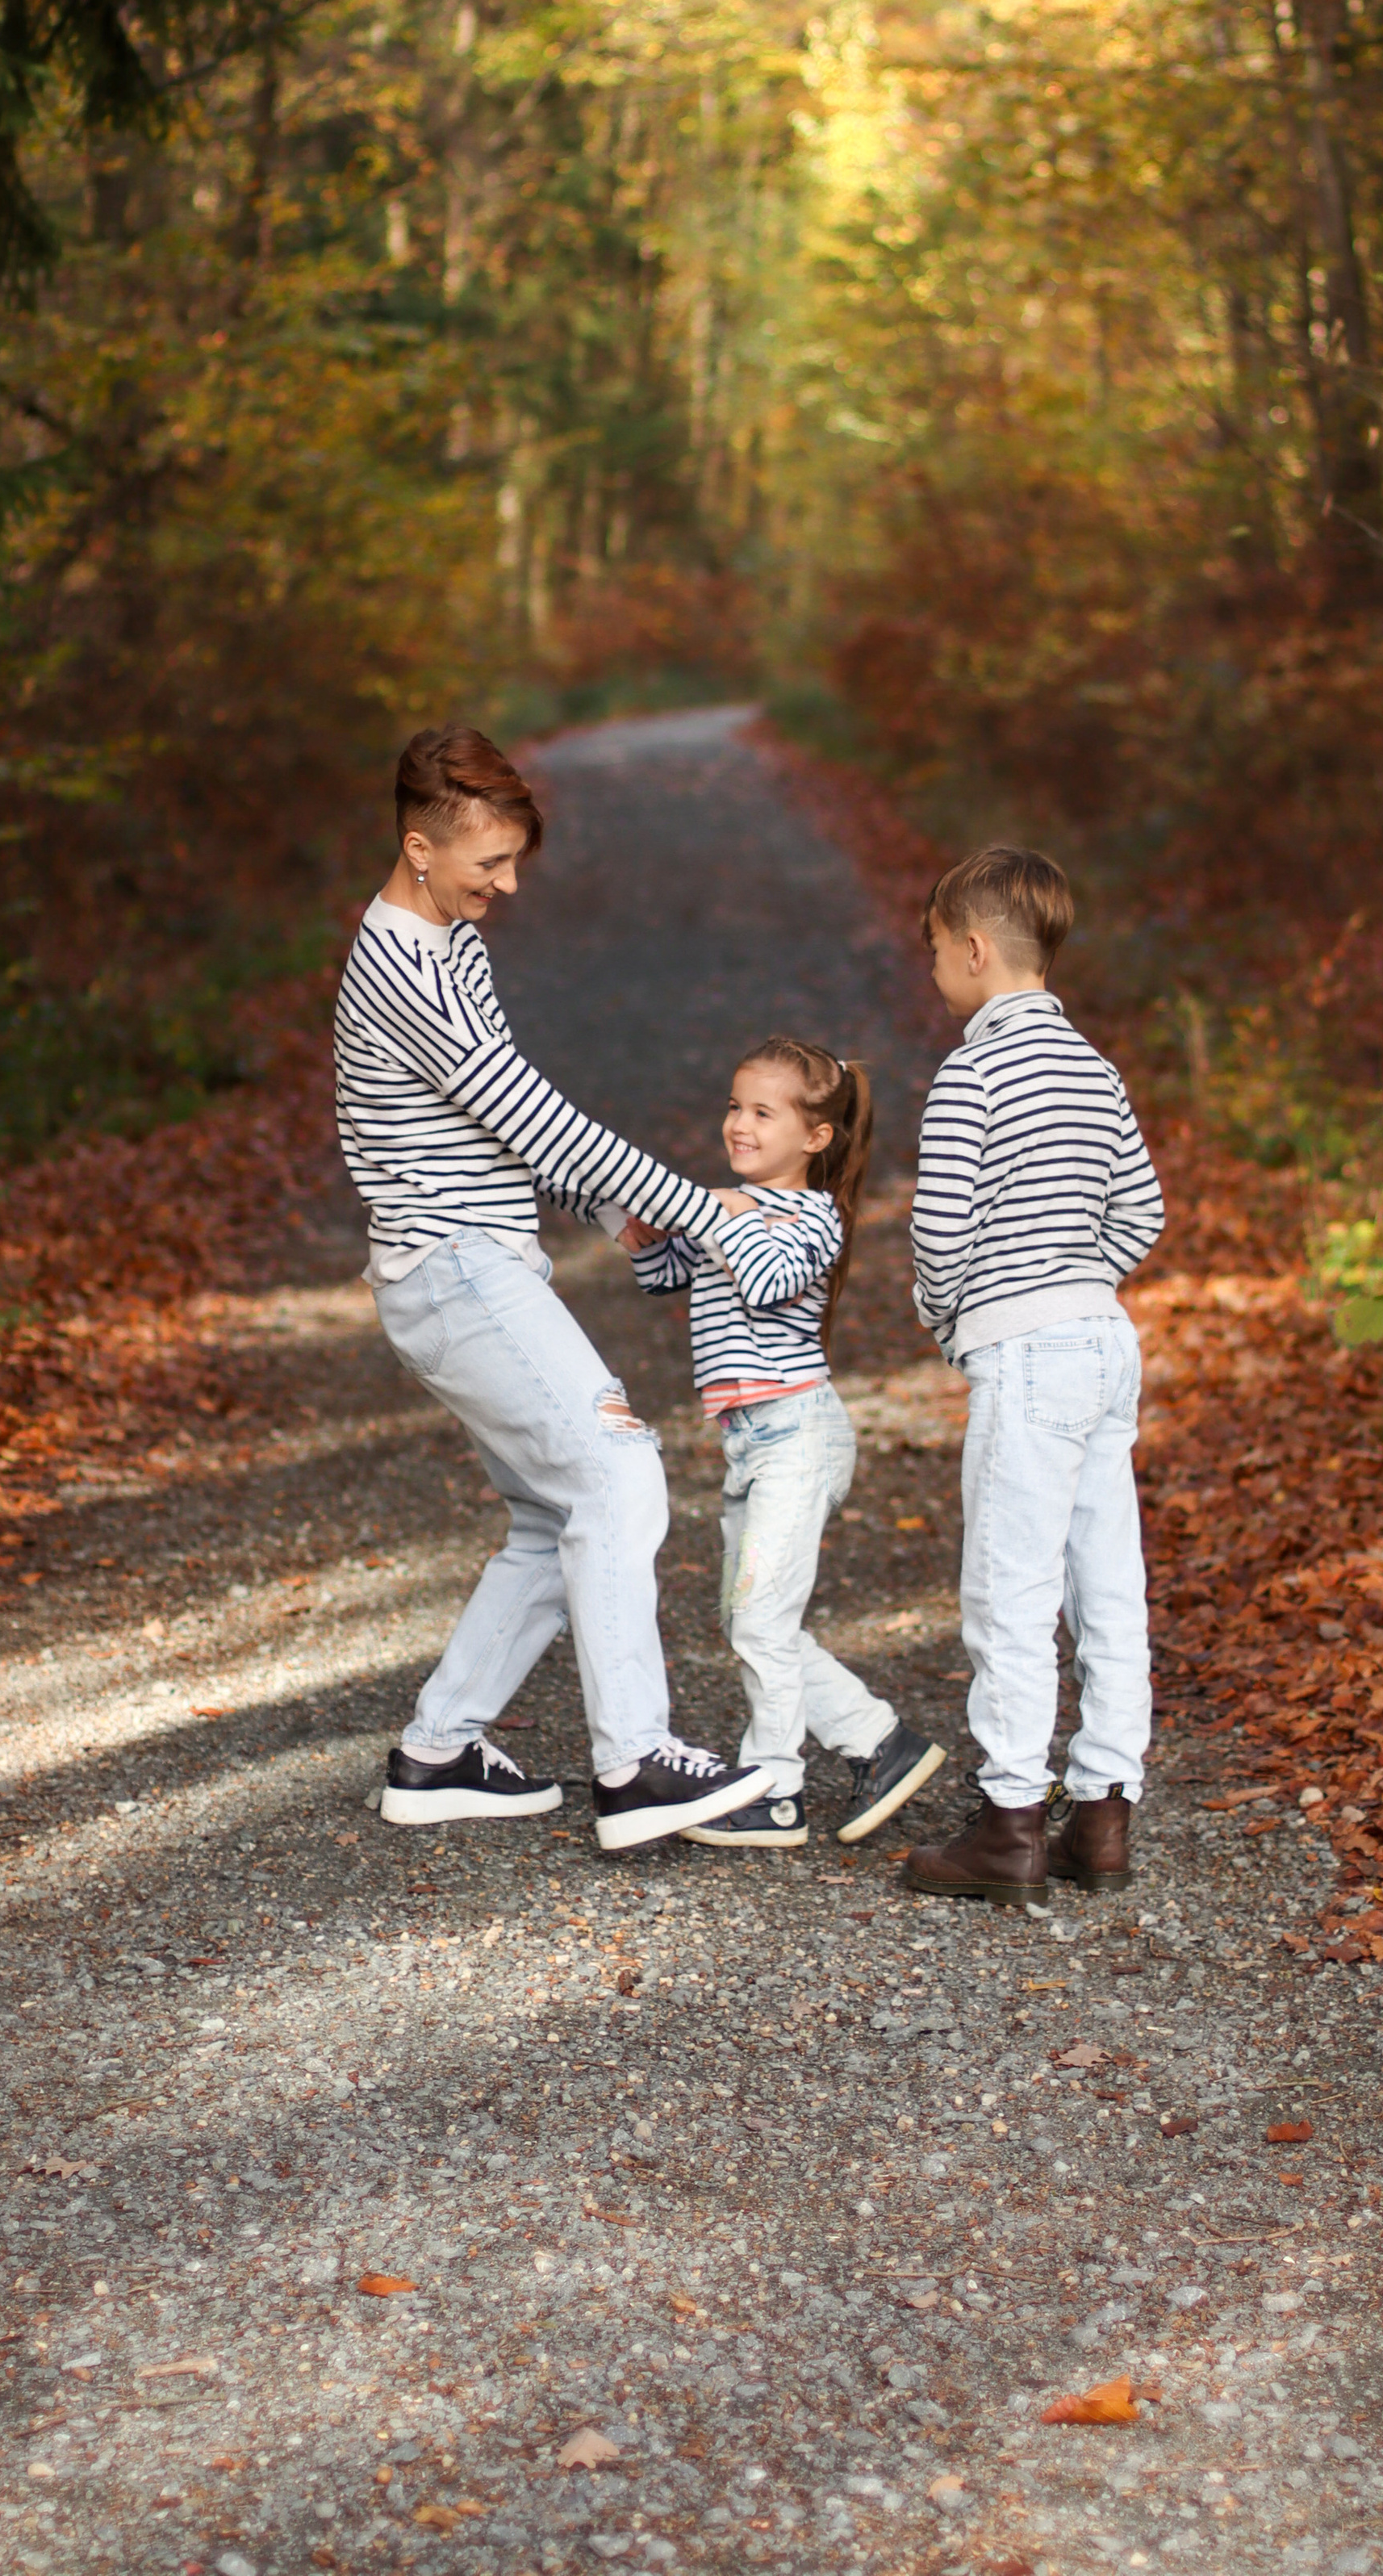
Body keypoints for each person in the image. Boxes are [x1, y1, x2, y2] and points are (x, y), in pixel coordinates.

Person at [334, 722, 771, 1853]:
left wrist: (609, 1207)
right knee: (619, 1474)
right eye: (490, 861)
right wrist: (691, 1203)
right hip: (456, 1271)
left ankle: (440, 1751)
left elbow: (498, 1129)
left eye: (516, 859)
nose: (509, 883)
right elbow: (532, 1112)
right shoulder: (400, 965)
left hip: (473, 1266)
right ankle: (635, 1767)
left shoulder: (450, 939)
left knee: (550, 1511)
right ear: (420, 846)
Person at [900, 847, 1166, 1907]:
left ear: (972, 948)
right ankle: (1102, 1814)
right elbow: (1140, 1212)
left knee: (1008, 1590)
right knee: (1109, 1584)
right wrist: (1077, 1282)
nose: (933, 973)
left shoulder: (972, 1074)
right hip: (1105, 1342)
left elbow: (938, 1233)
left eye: (934, 953)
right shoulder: (1094, 1069)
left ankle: (1009, 1823)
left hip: (1026, 1352)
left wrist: (952, 1317)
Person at [620, 1037, 945, 1848]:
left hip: (800, 1436)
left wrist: (704, 1207)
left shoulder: (812, 1217)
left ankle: (773, 1786)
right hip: (750, 1443)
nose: (738, 1124)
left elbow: (766, 1282)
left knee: (761, 1621)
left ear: (815, 1138)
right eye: (734, 1106)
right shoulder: (732, 1206)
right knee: (749, 1621)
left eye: (762, 1112)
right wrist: (639, 1230)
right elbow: (665, 1274)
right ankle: (880, 1743)